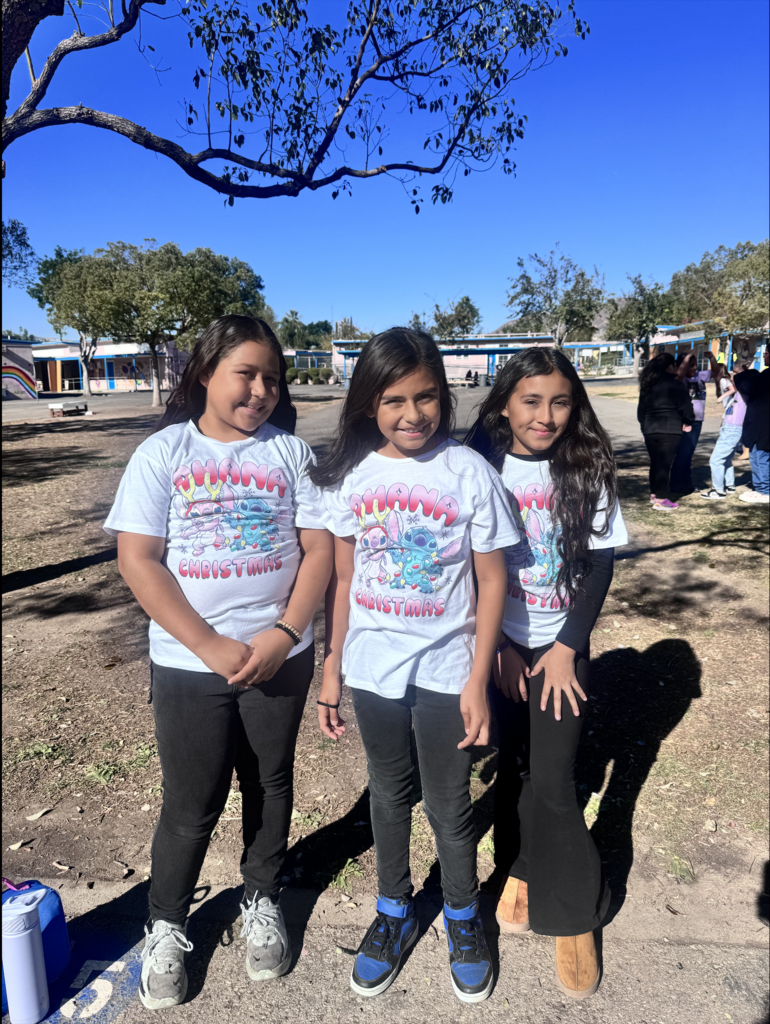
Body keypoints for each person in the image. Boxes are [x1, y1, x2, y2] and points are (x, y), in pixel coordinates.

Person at [104, 315, 333, 1010]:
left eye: (273, 379)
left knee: (270, 783)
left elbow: (320, 550)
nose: (261, 390)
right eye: (247, 374)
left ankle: (262, 897)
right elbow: (138, 559)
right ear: (205, 372)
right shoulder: (163, 453)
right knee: (191, 801)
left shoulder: (291, 454)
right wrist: (208, 644)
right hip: (187, 664)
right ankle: (166, 923)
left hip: (280, 659)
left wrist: (284, 633)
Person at [312, 327, 519, 1005]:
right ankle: (393, 909)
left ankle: (462, 915)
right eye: (394, 399)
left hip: (446, 671)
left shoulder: (468, 473)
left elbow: (492, 581)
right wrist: (333, 665)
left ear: (444, 397)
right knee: (388, 793)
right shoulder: (353, 477)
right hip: (373, 670)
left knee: (450, 804)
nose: (412, 414)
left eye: (426, 397)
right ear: (369, 403)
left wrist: (478, 679)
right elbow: (344, 581)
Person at [465, 348, 627, 1001]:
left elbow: (601, 563)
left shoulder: (588, 464)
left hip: (562, 647)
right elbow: (467, 562)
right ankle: (524, 867)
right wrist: (502, 644)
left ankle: (576, 912)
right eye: (531, 401)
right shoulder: (479, 466)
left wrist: (565, 646)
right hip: (499, 646)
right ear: (505, 403)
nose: (546, 416)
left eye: (560, 402)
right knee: (518, 768)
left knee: (556, 781)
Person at [636, 353, 695, 512]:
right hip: (670, 430)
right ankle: (661, 500)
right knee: (664, 464)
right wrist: (688, 421)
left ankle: (654, 494)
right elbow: (686, 407)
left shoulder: (647, 386)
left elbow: (641, 411)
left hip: (650, 429)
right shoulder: (676, 385)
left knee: (655, 463)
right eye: (675, 365)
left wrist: (644, 429)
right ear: (670, 367)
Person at [669, 349, 718, 494]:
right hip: (684, 421)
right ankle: (676, 484)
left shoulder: (700, 376)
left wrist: (712, 358)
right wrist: (687, 357)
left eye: (696, 364)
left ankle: (686, 482)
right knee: (683, 453)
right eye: (691, 365)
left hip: (697, 422)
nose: (695, 368)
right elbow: (680, 373)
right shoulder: (680, 379)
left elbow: (716, 371)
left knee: (689, 453)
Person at [700, 364, 747, 500]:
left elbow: (736, 386)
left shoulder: (743, 390)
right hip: (729, 428)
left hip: (732, 429)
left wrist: (722, 396)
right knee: (725, 459)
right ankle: (729, 485)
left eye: (735, 374)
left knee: (716, 460)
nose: (732, 377)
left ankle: (718, 491)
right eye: (732, 374)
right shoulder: (739, 392)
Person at [734, 343, 770, 504]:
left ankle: (763, 490)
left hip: (762, 424)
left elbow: (750, 387)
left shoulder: (767, 375)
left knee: (759, 455)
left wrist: (742, 374)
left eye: (766, 352)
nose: (764, 355)